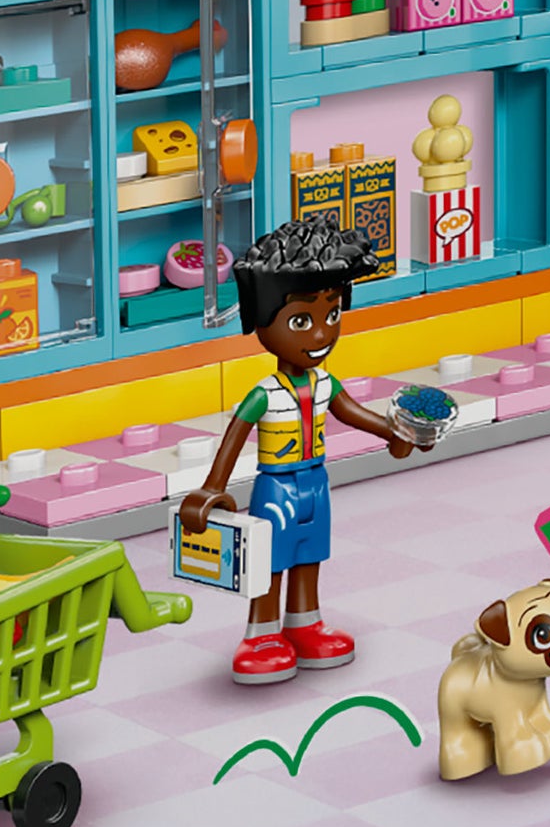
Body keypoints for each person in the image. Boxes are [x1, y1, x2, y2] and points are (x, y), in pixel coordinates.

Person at [178, 215, 433, 685]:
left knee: (309, 554)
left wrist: (395, 433)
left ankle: (304, 623)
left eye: (332, 315)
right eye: (301, 321)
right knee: (269, 560)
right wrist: (212, 488)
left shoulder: (323, 383)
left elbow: (352, 412)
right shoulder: (264, 393)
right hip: (276, 486)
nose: (320, 335)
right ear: (259, 322)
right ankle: (261, 633)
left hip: (315, 481)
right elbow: (236, 435)